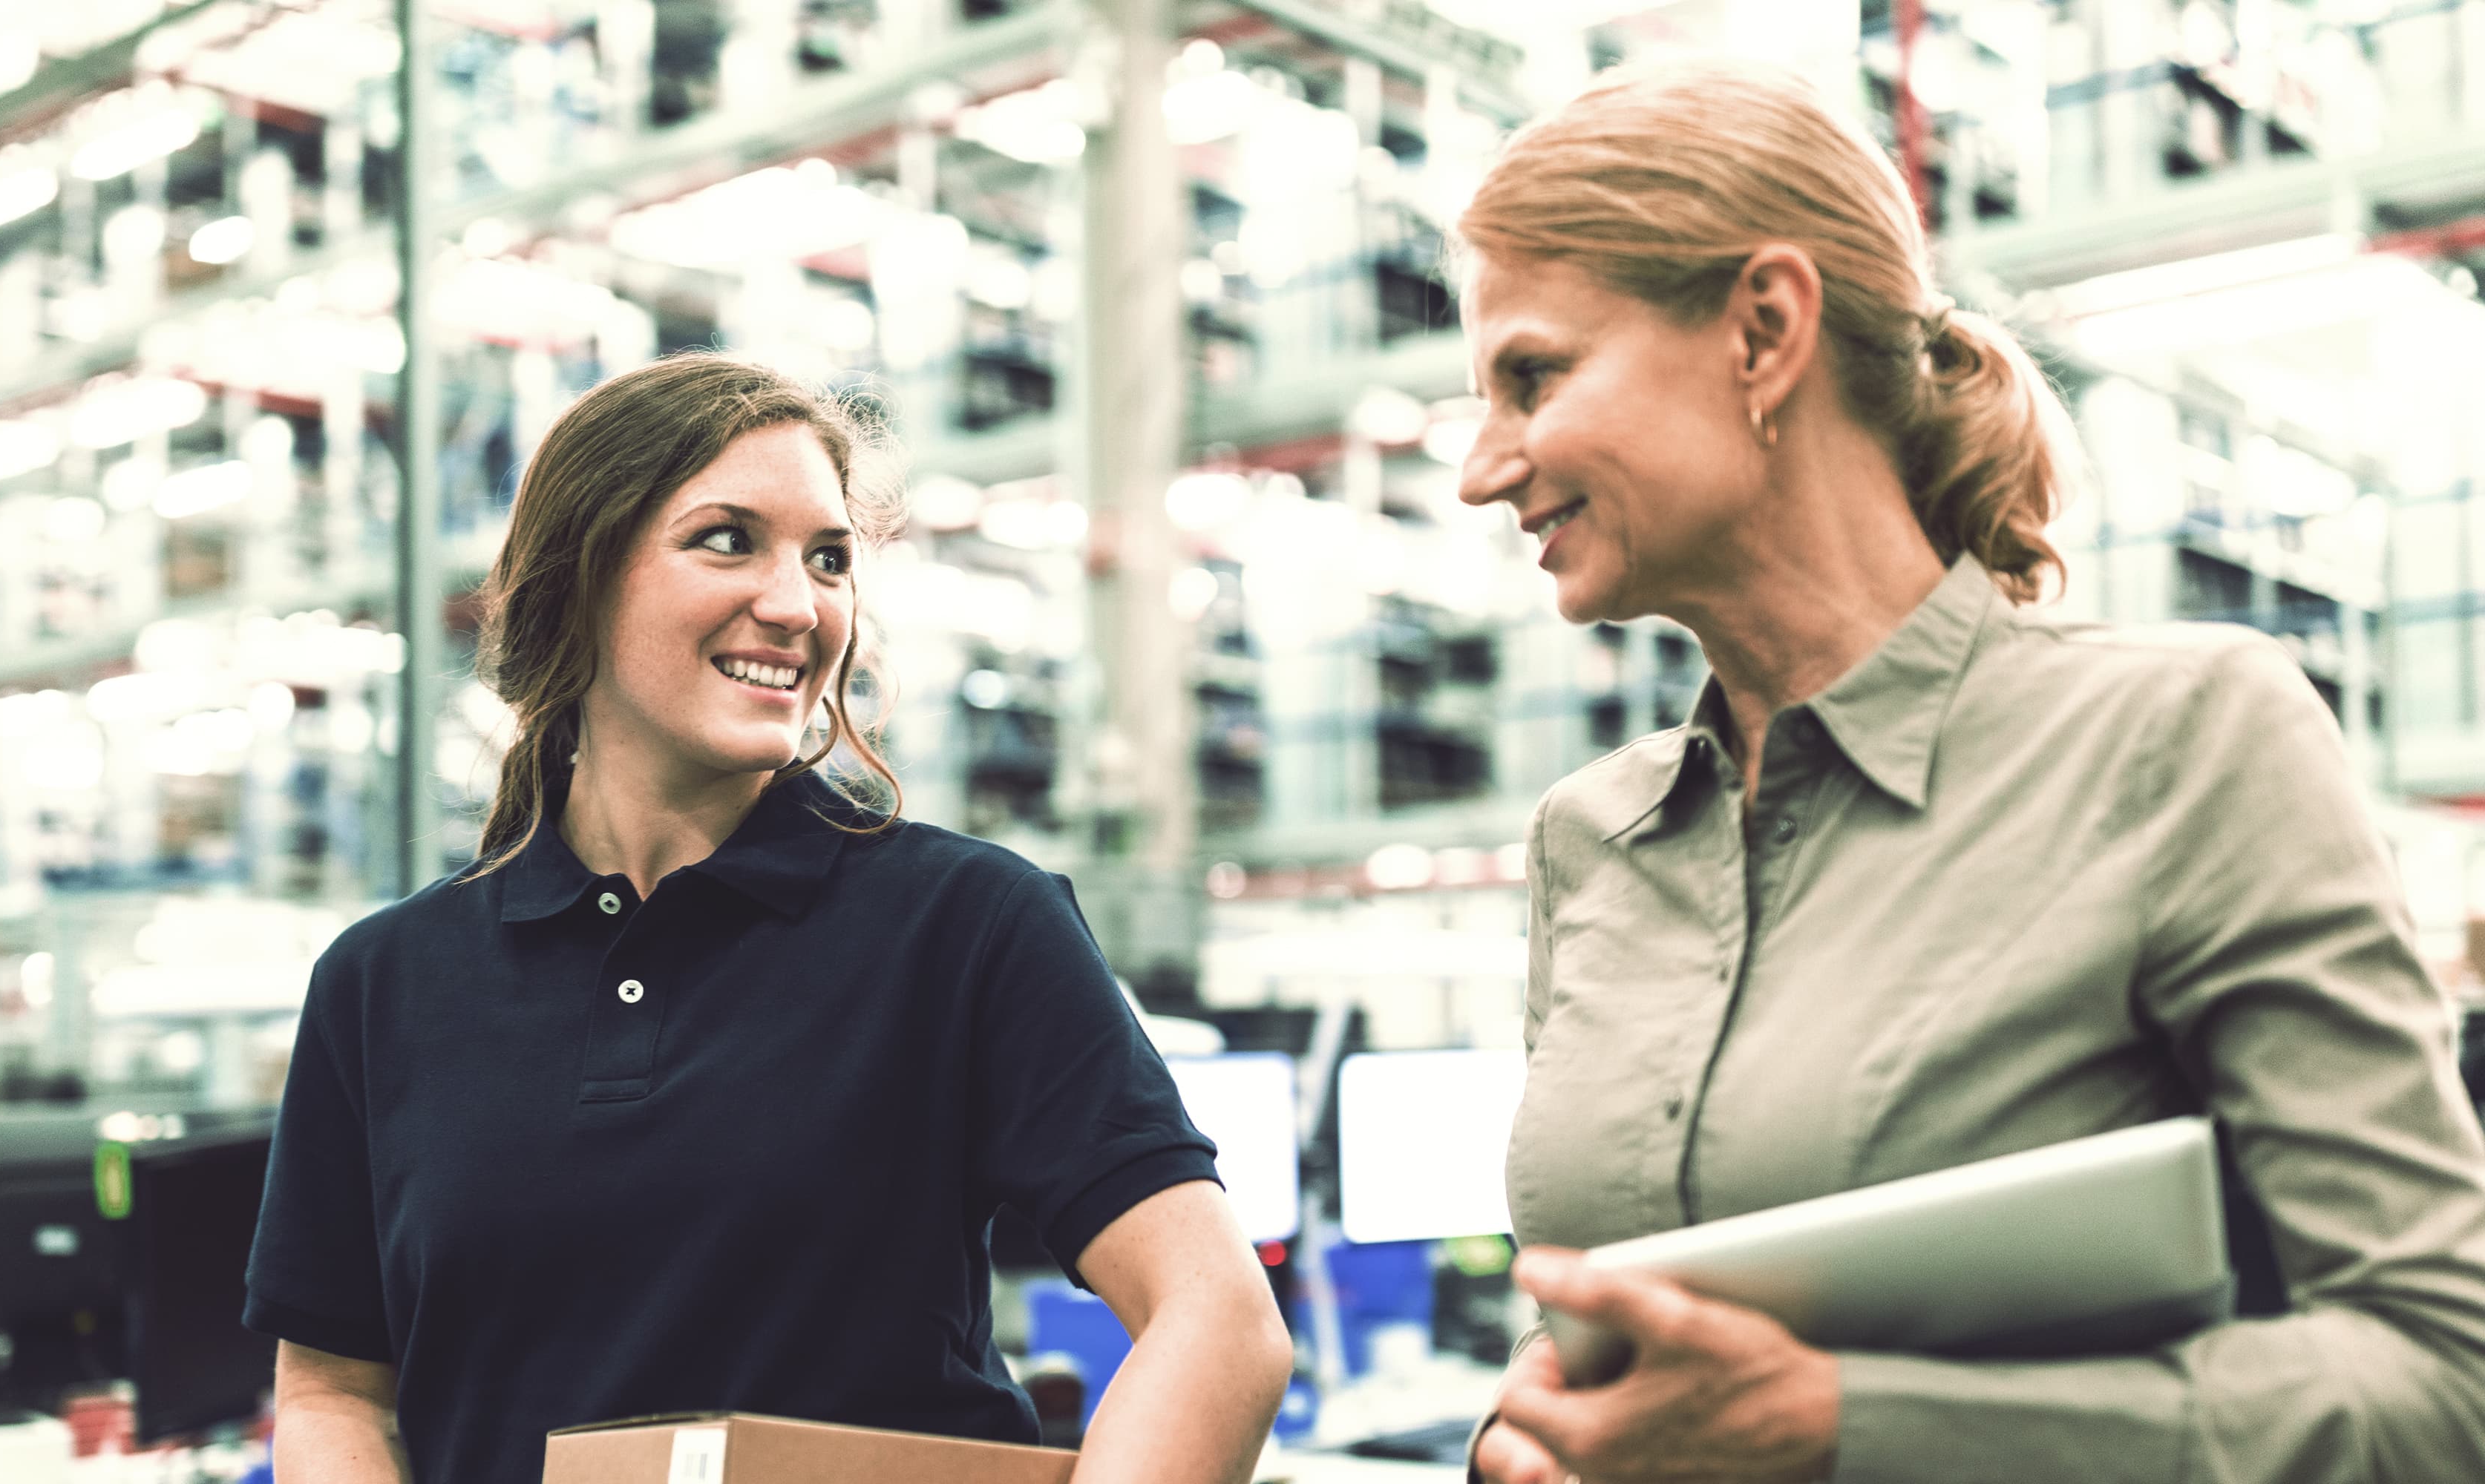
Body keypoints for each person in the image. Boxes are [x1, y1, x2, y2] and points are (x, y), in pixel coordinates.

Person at [1447, 61, 2485, 1484]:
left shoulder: (2181, 745)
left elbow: (2440, 1379)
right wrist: (1528, 1431)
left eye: (1532, 376)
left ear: (1763, 329)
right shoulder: (1595, 839)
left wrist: (1843, 1428)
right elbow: (1589, 1324)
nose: (1481, 467)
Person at [246, 353, 1289, 1484]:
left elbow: (1219, 1322)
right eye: (728, 540)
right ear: (577, 576)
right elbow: (333, 1391)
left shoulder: (967, 926)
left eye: (829, 558)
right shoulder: (383, 982)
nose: (796, 606)